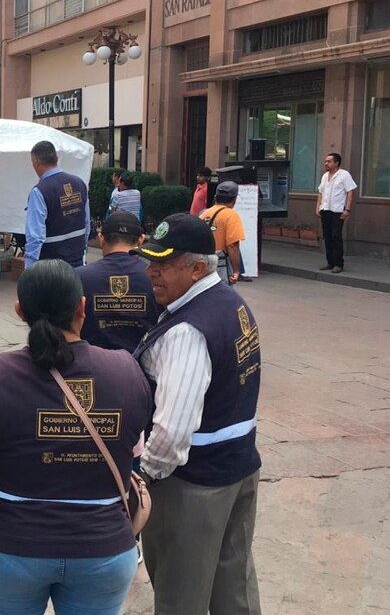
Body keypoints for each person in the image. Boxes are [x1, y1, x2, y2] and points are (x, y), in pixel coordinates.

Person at [0, 259, 152, 615]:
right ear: (82, 308)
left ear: (19, 311)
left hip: (12, 548)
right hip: (103, 549)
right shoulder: (126, 369)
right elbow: (135, 449)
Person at [131, 213, 263, 615]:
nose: (152, 273)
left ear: (198, 267)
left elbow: (172, 433)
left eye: (164, 265)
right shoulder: (230, 303)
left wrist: (143, 476)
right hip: (239, 468)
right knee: (233, 588)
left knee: (179, 596)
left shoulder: (188, 331)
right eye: (150, 262)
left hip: (193, 487)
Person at [76, 211, 158, 353]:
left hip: (93, 366)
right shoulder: (157, 279)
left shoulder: (78, 277)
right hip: (143, 368)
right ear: (141, 240)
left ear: (102, 239)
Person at [25, 141, 91, 269]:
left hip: (51, 265)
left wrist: (29, 268)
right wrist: (83, 250)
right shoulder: (79, 184)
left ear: (35, 163)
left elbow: (35, 236)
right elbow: (86, 223)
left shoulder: (39, 191)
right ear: (56, 158)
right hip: (76, 259)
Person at [316, 152, 357, 274]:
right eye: (325, 161)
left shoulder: (344, 175)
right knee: (327, 236)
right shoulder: (325, 176)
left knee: (336, 236)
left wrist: (347, 209)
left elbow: (350, 192)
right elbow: (321, 192)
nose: (326, 163)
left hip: (337, 211)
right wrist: (318, 207)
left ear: (336, 163)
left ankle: (339, 263)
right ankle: (330, 262)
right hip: (325, 209)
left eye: (329, 161)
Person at [199, 181, 246, 285]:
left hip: (202, 262)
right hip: (220, 263)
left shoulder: (204, 214)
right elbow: (233, 246)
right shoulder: (231, 215)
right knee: (222, 296)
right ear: (234, 199)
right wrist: (236, 270)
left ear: (216, 197)